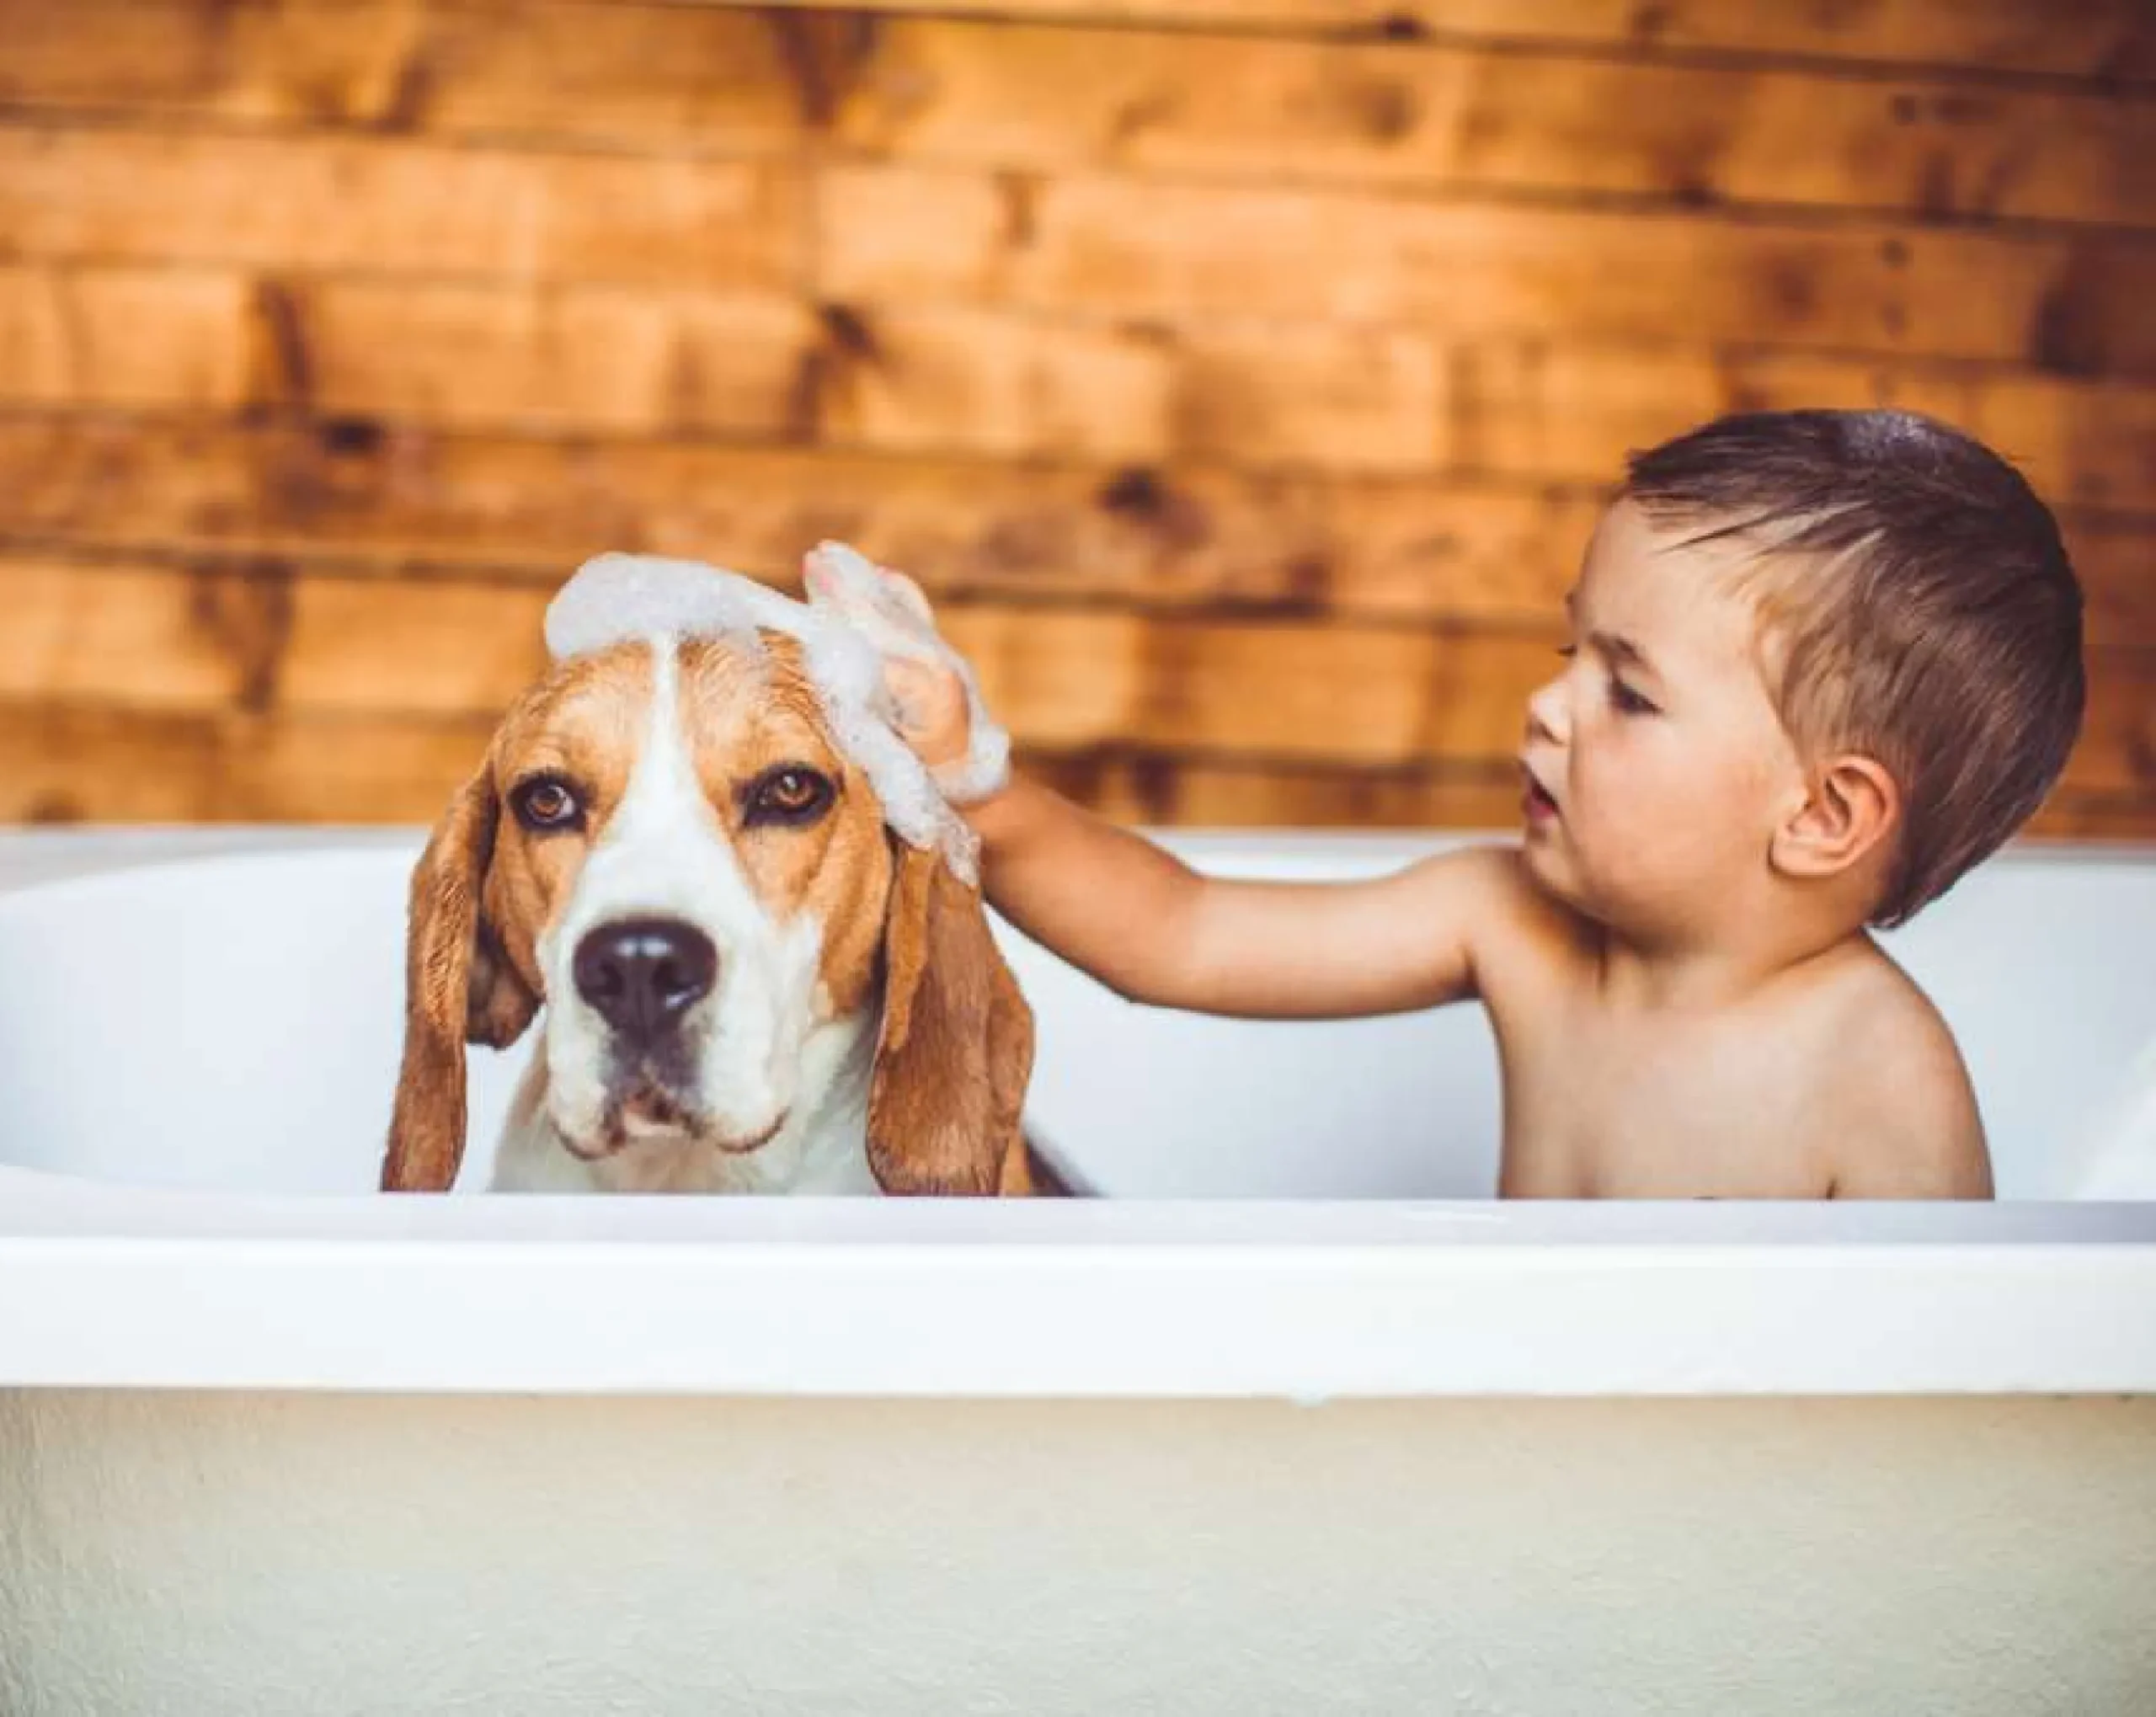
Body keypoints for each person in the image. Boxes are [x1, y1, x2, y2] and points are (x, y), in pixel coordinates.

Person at [810, 410, 2087, 1199]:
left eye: (1628, 693)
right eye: (1569, 652)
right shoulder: (1511, 919)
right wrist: (986, 786)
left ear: (1821, 816)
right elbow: (1184, 934)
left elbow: (1927, 1422)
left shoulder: (1876, 1078)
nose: (1550, 707)